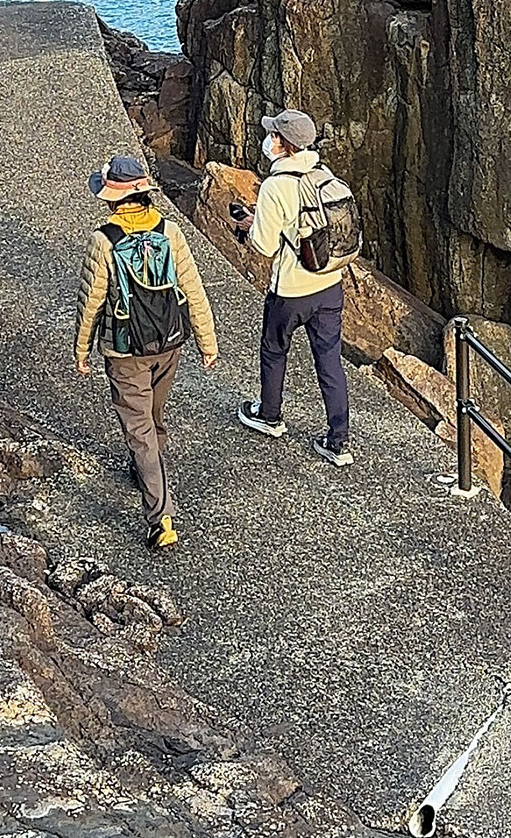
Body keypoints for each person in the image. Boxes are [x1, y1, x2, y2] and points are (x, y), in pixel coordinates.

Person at [75, 152, 218, 550]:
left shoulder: (104, 241)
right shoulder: (170, 232)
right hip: (169, 342)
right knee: (154, 416)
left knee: (139, 431)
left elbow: (91, 301)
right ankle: (147, 470)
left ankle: (161, 517)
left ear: (111, 199)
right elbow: (193, 290)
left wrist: (81, 349)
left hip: (125, 350)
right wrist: (208, 343)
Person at [234, 109, 353, 466]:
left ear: (282, 145)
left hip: (291, 290)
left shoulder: (276, 185)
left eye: (273, 136)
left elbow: (265, 246)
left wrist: (248, 226)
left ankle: (269, 416)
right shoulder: (324, 175)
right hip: (330, 283)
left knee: (274, 349)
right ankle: (339, 441)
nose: (268, 141)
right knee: (330, 361)